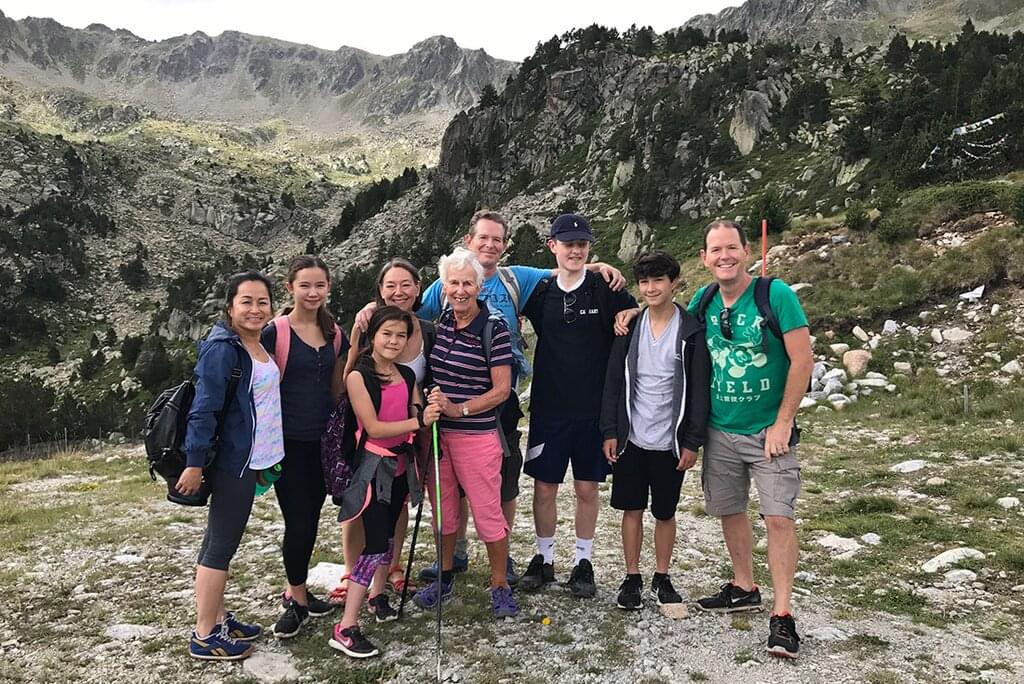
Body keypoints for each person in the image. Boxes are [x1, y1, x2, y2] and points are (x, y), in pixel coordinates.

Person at [355, 210, 625, 586]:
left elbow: (562, 269)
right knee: (453, 483)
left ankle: (505, 555)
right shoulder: (444, 284)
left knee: (505, 481)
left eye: (497, 239)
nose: (490, 245)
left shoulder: (517, 278)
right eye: (483, 237)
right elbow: (405, 312)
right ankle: (458, 552)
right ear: (469, 241)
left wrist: (597, 266)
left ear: (505, 245)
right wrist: (374, 308)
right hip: (451, 403)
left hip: (503, 400)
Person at [687, 219, 813, 659]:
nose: (724, 256)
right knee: (730, 510)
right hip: (720, 429)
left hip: (767, 432)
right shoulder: (703, 300)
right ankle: (744, 586)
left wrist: (783, 422)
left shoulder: (775, 295)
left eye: (731, 248)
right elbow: (665, 321)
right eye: (715, 250)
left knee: (778, 517)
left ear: (747, 251)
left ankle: (783, 614)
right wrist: (629, 313)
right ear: (704, 258)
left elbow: (802, 360)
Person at [517, 214, 636, 599]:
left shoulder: (605, 287)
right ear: (552, 246)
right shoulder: (540, 291)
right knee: (544, 488)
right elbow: (494, 282)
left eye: (582, 244)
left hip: (592, 410)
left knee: (587, 488)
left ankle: (583, 562)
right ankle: (544, 558)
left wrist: (630, 312)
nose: (576, 250)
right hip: (549, 409)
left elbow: (640, 310)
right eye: (568, 244)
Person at [180, 271, 284, 661]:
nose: (255, 309)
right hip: (232, 462)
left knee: (217, 542)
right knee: (220, 547)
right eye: (246, 302)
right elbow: (203, 408)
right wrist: (194, 462)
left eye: (262, 302)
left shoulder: (256, 341)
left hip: (250, 457)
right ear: (230, 306)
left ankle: (219, 618)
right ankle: (205, 634)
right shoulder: (223, 349)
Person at [600, 251, 710, 610]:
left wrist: (692, 441)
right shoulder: (629, 327)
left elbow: (699, 390)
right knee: (631, 509)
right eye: (644, 281)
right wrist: (610, 430)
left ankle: (662, 576)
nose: (650, 288)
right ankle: (632, 576)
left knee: (665, 512)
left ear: (674, 282)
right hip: (631, 438)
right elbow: (614, 381)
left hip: (670, 442)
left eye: (658, 280)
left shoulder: (691, 331)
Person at [330, 306, 441, 658]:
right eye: (387, 334)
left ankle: (377, 596)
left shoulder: (405, 374)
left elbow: (415, 406)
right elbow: (375, 427)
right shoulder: (358, 377)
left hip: (399, 467)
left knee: (390, 536)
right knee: (375, 544)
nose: (394, 341)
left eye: (401, 335)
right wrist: (419, 421)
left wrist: (427, 407)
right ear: (373, 336)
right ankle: (346, 627)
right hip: (372, 469)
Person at [413, 247, 518, 618]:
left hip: (476, 436)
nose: (460, 290)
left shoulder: (494, 328)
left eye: (467, 283)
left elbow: (502, 390)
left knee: (488, 513)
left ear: (479, 286)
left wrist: (460, 409)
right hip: (438, 436)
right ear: (443, 286)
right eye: (453, 283)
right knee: (443, 512)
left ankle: (500, 585)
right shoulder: (442, 321)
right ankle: (444, 578)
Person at [260, 256, 349, 638]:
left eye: (319, 285)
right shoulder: (274, 332)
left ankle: (296, 591)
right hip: (287, 443)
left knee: (310, 519)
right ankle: (296, 600)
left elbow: (338, 384)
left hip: (323, 443)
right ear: (290, 287)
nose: (313, 293)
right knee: (297, 521)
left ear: (328, 287)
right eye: (305, 285)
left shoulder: (335, 333)